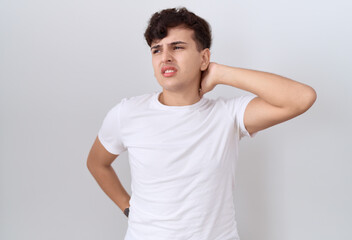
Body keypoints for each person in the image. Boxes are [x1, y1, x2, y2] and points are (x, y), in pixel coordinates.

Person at [86, 7, 316, 240]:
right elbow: (97, 163)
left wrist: (220, 73)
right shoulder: (127, 113)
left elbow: (301, 98)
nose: (165, 57)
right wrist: (128, 207)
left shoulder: (228, 114)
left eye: (177, 47)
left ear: (204, 57)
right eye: (157, 50)